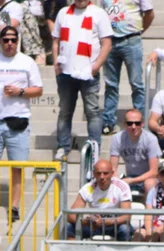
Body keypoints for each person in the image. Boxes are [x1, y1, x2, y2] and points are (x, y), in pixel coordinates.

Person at [0, 24, 42, 220]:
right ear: (0, 41)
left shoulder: (27, 62)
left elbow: (38, 90)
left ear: (17, 41)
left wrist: (20, 92)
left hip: (18, 121)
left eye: (13, 39)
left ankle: (14, 206)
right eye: (6, 40)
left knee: (17, 167)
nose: (10, 43)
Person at [51, 0, 112, 161]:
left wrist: (96, 66)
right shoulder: (63, 13)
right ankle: (63, 147)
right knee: (64, 111)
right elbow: (56, 40)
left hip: (88, 72)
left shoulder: (98, 13)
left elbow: (107, 44)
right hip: (65, 72)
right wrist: (56, 62)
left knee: (92, 112)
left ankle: (94, 149)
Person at [97, 0, 152, 135]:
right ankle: (109, 122)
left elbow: (150, 14)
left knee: (136, 83)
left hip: (131, 39)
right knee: (111, 84)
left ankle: (140, 120)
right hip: (110, 41)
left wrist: (137, 31)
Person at [65, 159, 133, 239]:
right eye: (99, 173)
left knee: (125, 229)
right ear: (94, 174)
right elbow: (71, 215)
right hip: (94, 226)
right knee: (68, 227)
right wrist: (85, 222)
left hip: (115, 225)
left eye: (105, 173)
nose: (102, 177)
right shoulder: (88, 188)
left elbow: (126, 217)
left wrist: (104, 222)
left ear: (112, 174)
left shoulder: (122, 187)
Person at [109, 109, 161, 195]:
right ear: (125, 124)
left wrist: (131, 181)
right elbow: (113, 168)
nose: (133, 127)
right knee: (112, 183)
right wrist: (116, 179)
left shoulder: (151, 139)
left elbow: (154, 171)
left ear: (142, 124)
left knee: (149, 184)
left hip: (148, 178)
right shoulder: (117, 138)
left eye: (137, 123)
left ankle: (148, 208)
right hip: (129, 177)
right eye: (130, 123)